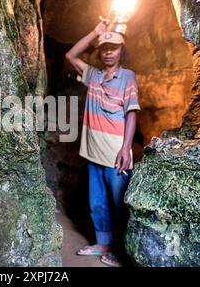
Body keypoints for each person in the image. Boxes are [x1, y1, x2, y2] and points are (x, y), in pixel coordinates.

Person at [65, 22, 141, 267]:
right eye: (104, 48)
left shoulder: (127, 77)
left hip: (116, 155)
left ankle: (123, 251)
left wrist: (126, 148)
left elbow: (131, 113)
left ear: (121, 51)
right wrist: (95, 33)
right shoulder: (94, 76)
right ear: (100, 51)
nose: (109, 52)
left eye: (114, 48)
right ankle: (103, 243)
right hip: (93, 154)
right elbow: (70, 55)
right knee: (97, 203)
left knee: (120, 205)